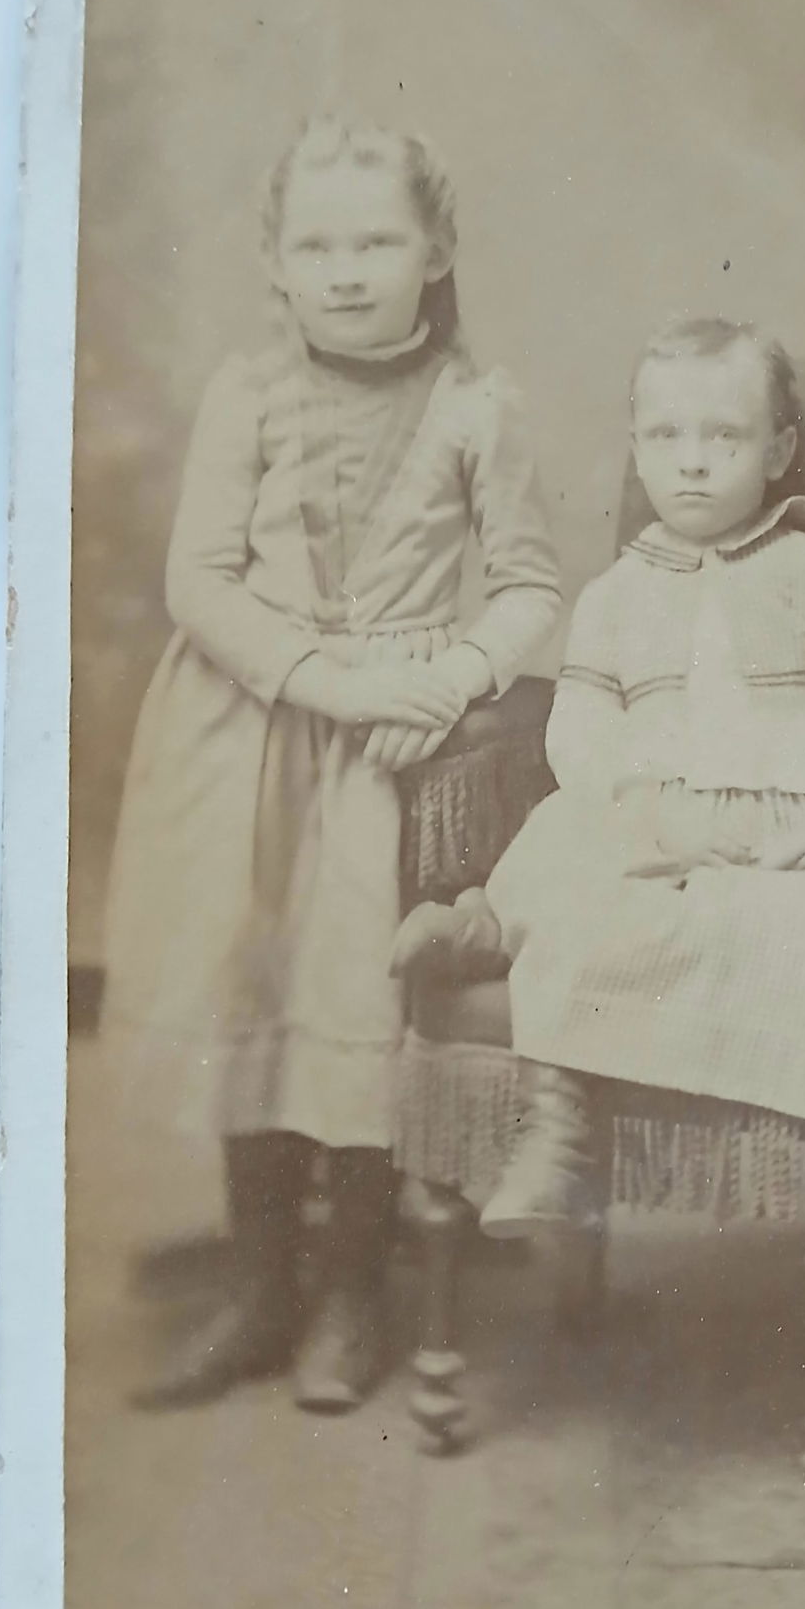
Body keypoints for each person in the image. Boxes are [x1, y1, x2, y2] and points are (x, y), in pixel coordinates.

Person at [103, 118, 562, 1412]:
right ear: (275, 259)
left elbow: (528, 584)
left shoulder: (481, 402)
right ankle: (262, 1284)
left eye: (377, 239)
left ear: (437, 248)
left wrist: (456, 677)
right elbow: (200, 578)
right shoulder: (246, 391)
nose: (347, 268)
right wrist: (319, 676)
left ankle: (354, 1286)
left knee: (357, 1012)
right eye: (317, 243)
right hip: (250, 727)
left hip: (384, 754)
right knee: (253, 990)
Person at [394, 317, 805, 1220]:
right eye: (667, 436)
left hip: (784, 825)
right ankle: (545, 1091)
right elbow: (583, 718)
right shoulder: (617, 596)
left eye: (725, 436)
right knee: (576, 876)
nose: (694, 461)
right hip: (651, 816)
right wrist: (619, 802)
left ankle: (516, 960)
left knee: (781, 933)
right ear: (637, 448)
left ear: (779, 449)